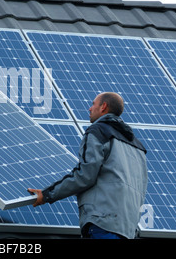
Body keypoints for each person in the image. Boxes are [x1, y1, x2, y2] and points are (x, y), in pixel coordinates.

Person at [28, 92, 148, 239]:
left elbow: (85, 175)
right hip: (128, 230)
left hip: (102, 224)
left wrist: (47, 194)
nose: (89, 109)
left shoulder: (98, 132)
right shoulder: (138, 146)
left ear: (103, 107)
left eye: (93, 104)